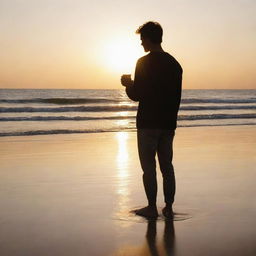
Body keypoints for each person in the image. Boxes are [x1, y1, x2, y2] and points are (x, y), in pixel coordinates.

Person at [121, 21, 182, 219]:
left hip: (148, 123)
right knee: (167, 167)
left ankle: (151, 207)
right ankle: (169, 207)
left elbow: (138, 94)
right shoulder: (174, 64)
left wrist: (128, 85)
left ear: (148, 38)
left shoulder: (144, 62)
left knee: (149, 168)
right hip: (168, 123)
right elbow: (176, 97)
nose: (141, 43)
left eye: (142, 39)